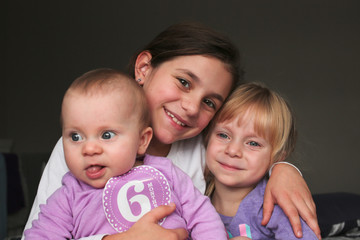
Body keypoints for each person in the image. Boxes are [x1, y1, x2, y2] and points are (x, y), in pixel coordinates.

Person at [22, 22, 321, 240]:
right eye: (184, 82)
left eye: (208, 102)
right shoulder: (80, 152)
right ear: (144, 69)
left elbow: (245, 153)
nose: (191, 107)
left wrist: (283, 168)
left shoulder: (201, 150)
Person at [24, 68, 228, 239]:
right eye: (75, 137)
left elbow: (204, 218)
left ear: (141, 141)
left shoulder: (167, 173)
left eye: (106, 135)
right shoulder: (68, 196)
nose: (89, 149)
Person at [204, 82, 318, 239]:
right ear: (207, 137)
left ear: (277, 157)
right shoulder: (194, 198)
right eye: (223, 135)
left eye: (253, 143)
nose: (232, 150)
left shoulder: (275, 206)